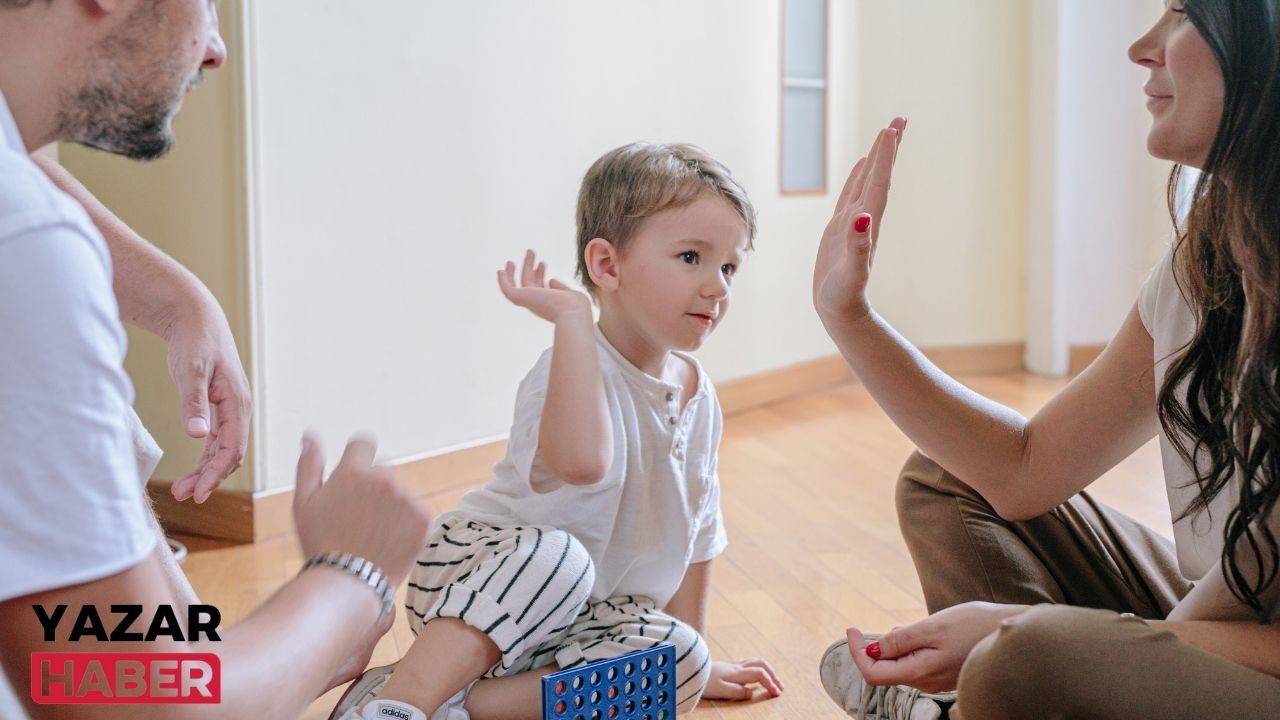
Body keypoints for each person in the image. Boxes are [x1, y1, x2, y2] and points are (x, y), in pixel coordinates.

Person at [811, 1, 1280, 718]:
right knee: (947, 480)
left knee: (1028, 653)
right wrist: (849, 316)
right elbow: (1025, 469)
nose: (1141, 48)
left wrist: (1023, 638)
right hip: (1224, 613)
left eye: (1183, 13)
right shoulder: (1209, 253)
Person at [0, 1, 433, 717]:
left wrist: (178, 299)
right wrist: (348, 579)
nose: (214, 50)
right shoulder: (24, 245)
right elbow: (143, 705)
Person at [330, 143, 783, 720]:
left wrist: (695, 654)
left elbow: (699, 528)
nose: (718, 286)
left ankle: (460, 707)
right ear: (606, 266)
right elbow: (584, 462)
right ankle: (403, 700)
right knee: (562, 560)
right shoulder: (568, 368)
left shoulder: (700, 393)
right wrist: (572, 320)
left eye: (729, 267)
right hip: (488, 586)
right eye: (692, 257)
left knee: (682, 662)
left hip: (583, 625)